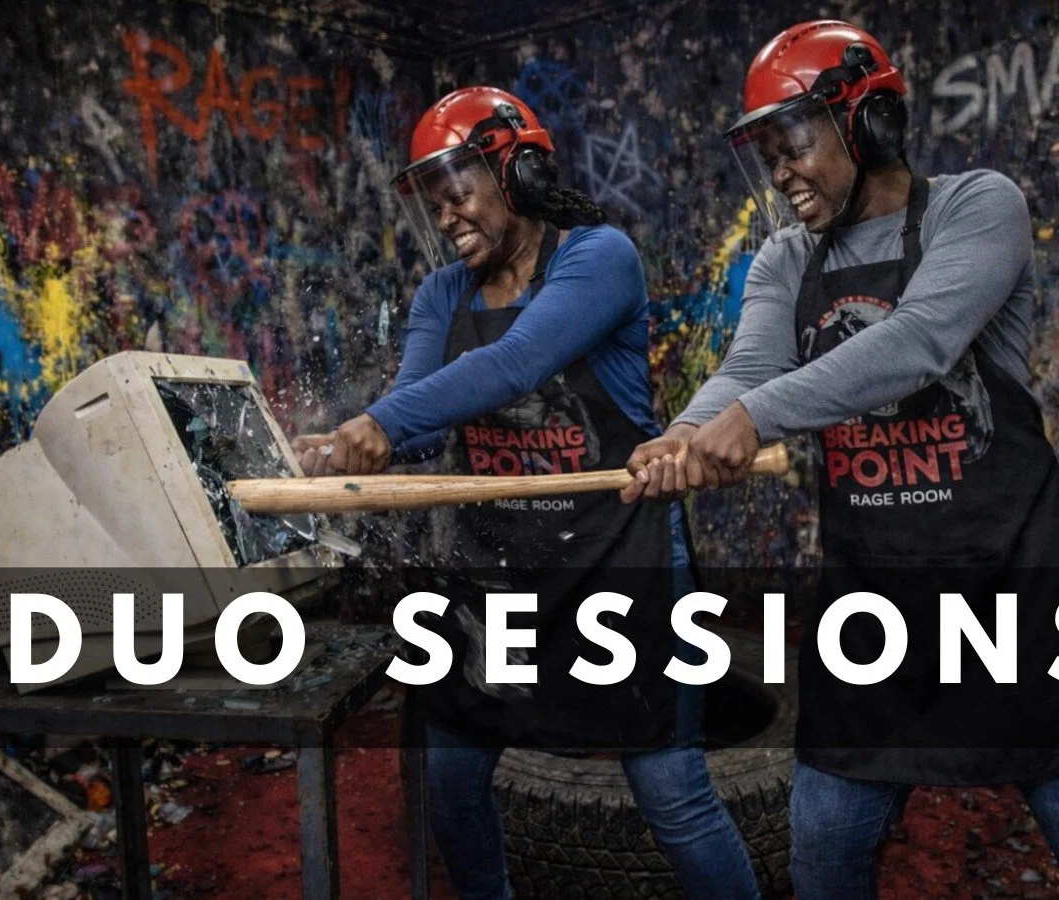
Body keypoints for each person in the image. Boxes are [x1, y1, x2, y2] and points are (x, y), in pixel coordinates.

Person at [622, 22, 1059, 899]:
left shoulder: (976, 206)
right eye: (766, 153)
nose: (780, 173)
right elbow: (750, 369)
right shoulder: (786, 257)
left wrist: (752, 418)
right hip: (873, 611)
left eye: (793, 142)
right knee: (824, 861)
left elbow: (917, 344)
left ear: (867, 122)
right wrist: (682, 434)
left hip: (1023, 597)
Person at [294, 87, 760, 900]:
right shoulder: (442, 297)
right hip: (499, 577)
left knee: (671, 793)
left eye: (459, 189)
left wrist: (377, 420)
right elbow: (425, 423)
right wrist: (343, 454)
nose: (446, 214)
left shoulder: (598, 256)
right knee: (451, 776)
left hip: (621, 565)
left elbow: (512, 365)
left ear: (516, 171)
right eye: (434, 202)